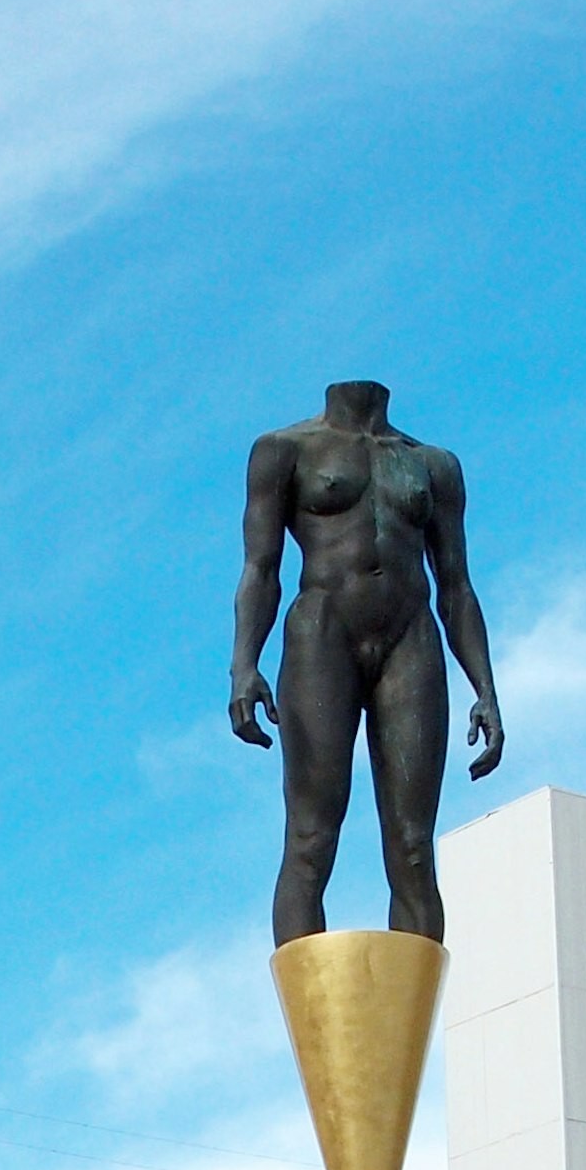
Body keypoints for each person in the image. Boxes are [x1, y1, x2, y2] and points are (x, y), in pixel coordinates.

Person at [232, 382, 505, 946]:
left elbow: (455, 584)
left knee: (412, 847)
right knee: (310, 839)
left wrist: (485, 687)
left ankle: (409, 1027)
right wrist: (244, 665)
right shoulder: (284, 450)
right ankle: (314, 1027)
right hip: (322, 633)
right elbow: (261, 569)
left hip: (410, 636)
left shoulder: (434, 465)